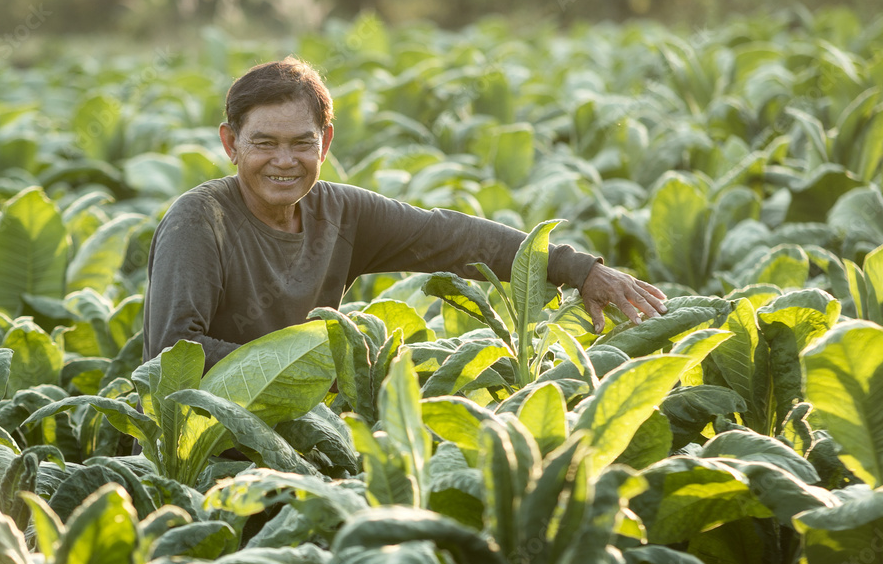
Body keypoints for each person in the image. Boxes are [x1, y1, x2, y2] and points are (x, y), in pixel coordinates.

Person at [142, 57, 667, 372]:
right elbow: (173, 355)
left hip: (303, 429)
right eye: (263, 143)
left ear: (324, 143)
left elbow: (453, 238)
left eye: (301, 143)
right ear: (230, 143)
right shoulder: (199, 221)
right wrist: (319, 365)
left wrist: (581, 270)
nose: (284, 161)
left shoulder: (341, 212)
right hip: (206, 447)